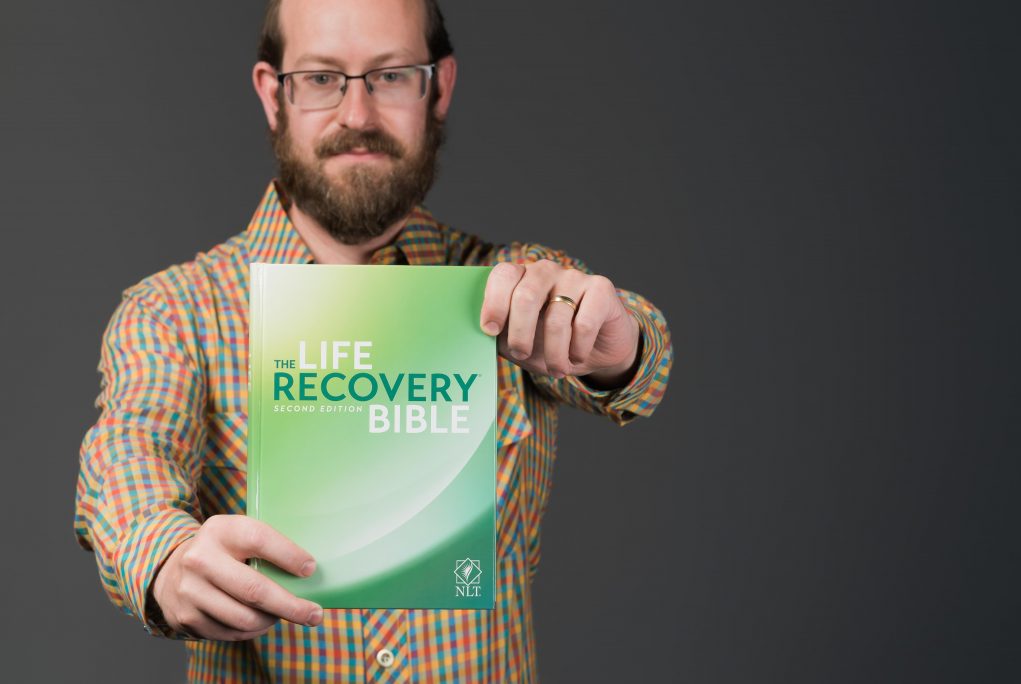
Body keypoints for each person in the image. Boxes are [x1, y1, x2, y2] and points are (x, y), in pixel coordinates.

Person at [74, 0, 673, 681]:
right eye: (321, 78)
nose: (356, 115)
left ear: (439, 88)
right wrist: (164, 557)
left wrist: (616, 344)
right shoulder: (175, 313)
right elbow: (128, 452)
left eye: (391, 76)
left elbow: (642, 366)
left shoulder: (514, 290)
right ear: (273, 94)